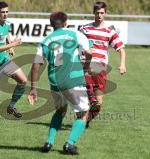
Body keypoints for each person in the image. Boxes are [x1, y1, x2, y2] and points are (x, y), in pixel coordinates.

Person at [28, 12, 92, 155]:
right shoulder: (75, 34)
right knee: (83, 113)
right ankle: (69, 144)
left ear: (51, 25)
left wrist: (33, 89)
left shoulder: (45, 41)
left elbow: (35, 66)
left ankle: (49, 142)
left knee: (60, 110)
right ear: (66, 22)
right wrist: (86, 67)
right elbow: (89, 53)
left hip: (55, 83)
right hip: (73, 80)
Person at [80, 1, 126, 127]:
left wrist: (122, 65)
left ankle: (86, 120)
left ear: (105, 13)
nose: (99, 15)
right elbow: (74, 45)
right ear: (93, 13)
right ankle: (84, 113)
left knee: (99, 105)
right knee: (86, 99)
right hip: (86, 66)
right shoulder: (85, 29)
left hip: (100, 69)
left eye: (102, 13)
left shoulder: (109, 31)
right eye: (97, 13)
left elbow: (121, 49)